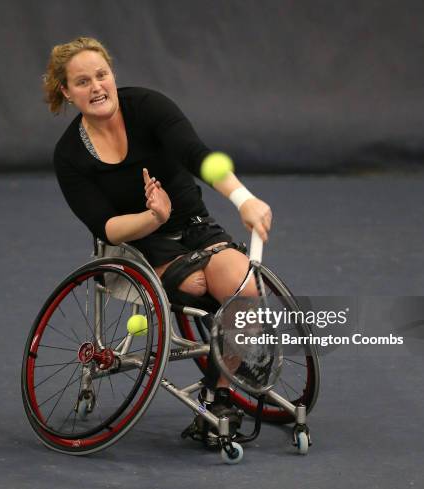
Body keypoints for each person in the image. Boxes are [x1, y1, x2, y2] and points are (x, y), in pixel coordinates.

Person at [43, 37, 272, 440]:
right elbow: (106, 227)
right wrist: (152, 217)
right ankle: (226, 365)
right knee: (199, 285)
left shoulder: (148, 107)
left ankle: (216, 397)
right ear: (66, 91)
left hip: (197, 227)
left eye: (102, 75)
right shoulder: (69, 156)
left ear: (112, 75)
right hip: (138, 246)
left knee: (245, 291)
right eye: (82, 82)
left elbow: (200, 155)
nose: (96, 87)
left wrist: (243, 198)